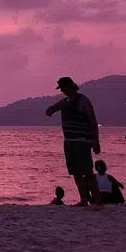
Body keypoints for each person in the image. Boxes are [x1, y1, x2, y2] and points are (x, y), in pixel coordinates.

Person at [46, 76, 101, 206]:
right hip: (69, 141)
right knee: (75, 172)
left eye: (64, 88)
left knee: (87, 172)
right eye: (61, 89)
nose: (62, 91)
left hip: (82, 141)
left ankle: (97, 200)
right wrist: (50, 110)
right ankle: (83, 199)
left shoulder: (83, 100)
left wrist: (95, 141)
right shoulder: (64, 102)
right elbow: (53, 108)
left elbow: (93, 122)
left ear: (71, 86)